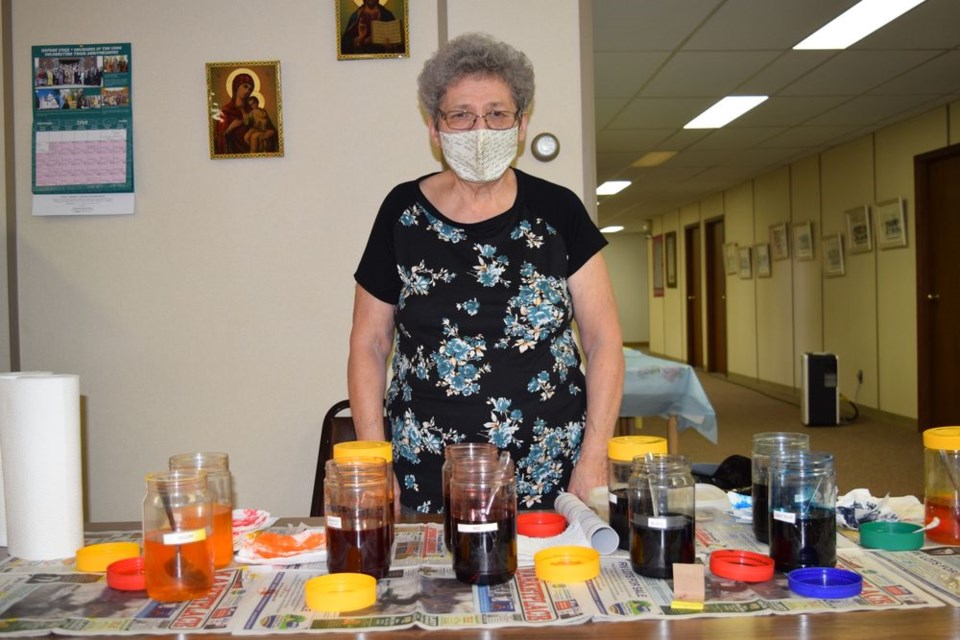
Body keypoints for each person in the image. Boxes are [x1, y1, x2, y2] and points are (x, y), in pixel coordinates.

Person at [348, 33, 624, 514]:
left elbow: (604, 341)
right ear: (435, 128)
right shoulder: (401, 213)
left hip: (549, 470)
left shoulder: (559, 211)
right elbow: (369, 346)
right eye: (461, 115)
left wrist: (595, 455)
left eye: (497, 114)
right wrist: (376, 463)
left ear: (520, 126)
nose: (480, 130)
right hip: (425, 472)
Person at [215, 73, 255, 154]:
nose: (248, 91)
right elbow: (219, 139)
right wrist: (231, 128)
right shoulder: (225, 112)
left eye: (250, 89)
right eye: (245, 86)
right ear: (236, 86)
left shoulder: (253, 111)